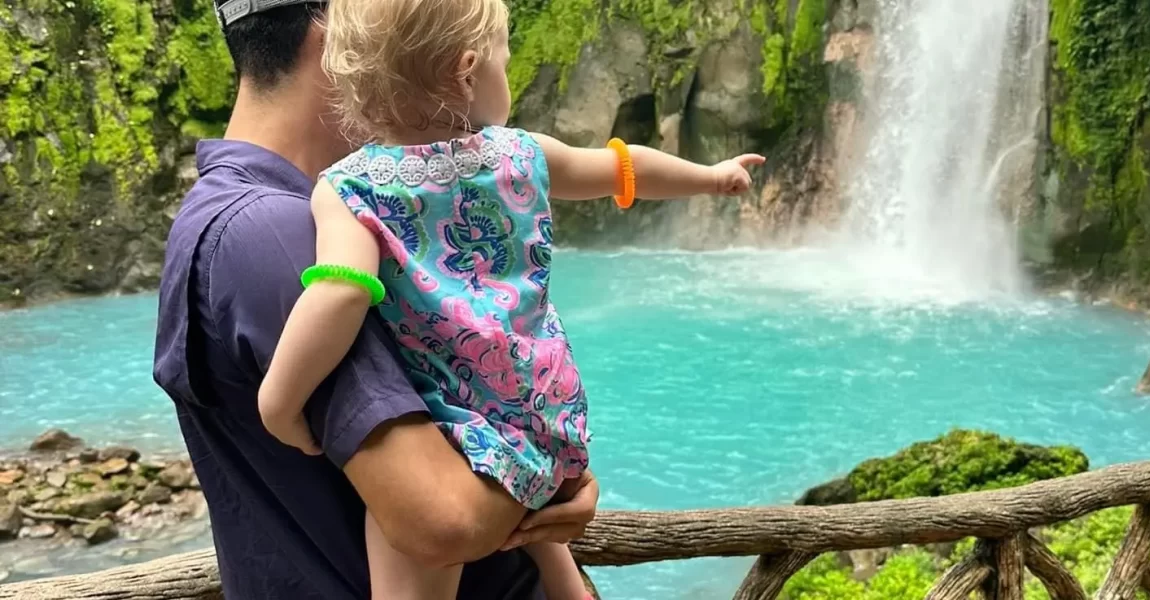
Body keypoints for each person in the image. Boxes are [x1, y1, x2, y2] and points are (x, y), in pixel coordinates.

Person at [254, 0, 766, 598]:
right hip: (554, 416)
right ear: (468, 70)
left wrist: (279, 402)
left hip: (471, 435)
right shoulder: (521, 156)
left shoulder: (350, 190)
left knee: (397, 532)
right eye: (506, 60)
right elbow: (623, 169)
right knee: (532, 503)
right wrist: (710, 175)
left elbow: (340, 292)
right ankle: (566, 582)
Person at [152, 1, 599, 598]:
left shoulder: (327, 214)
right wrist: (547, 471)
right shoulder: (278, 235)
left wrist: (557, 471)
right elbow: (446, 521)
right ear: (334, 40)